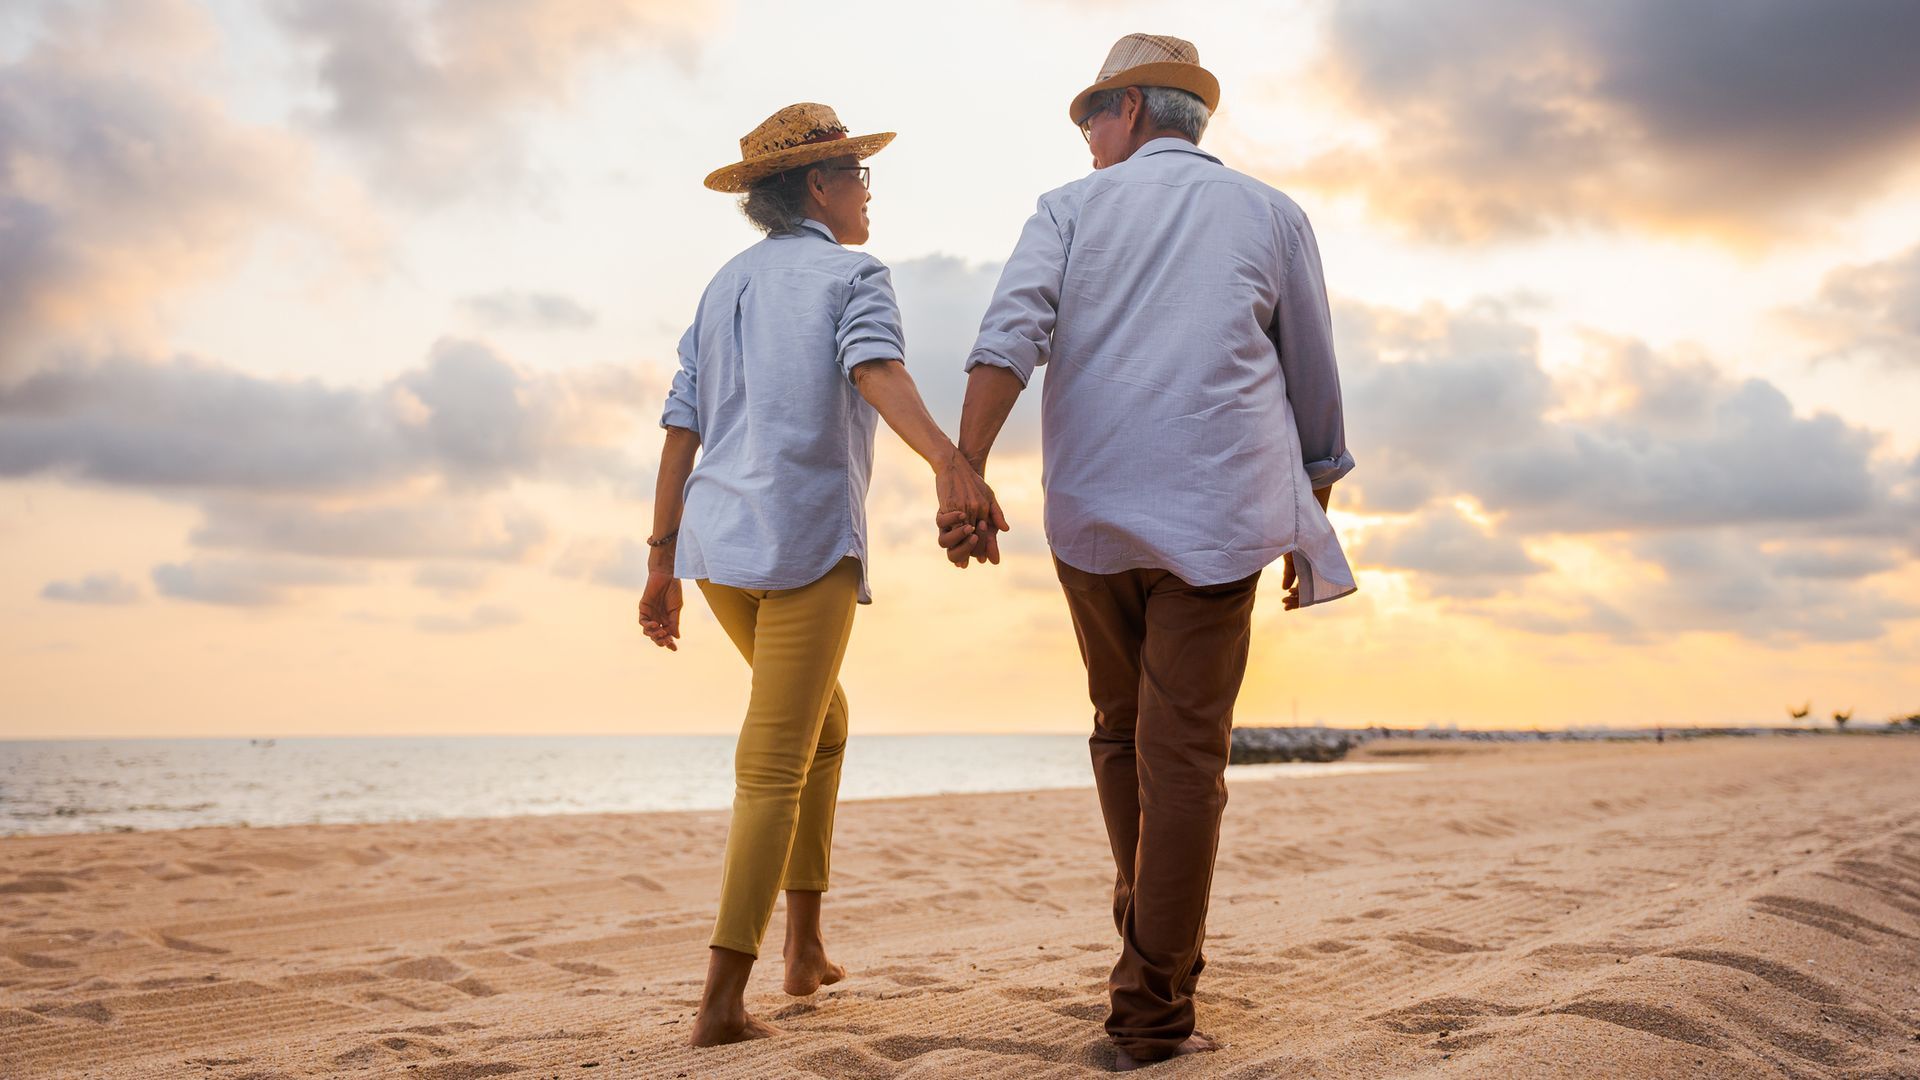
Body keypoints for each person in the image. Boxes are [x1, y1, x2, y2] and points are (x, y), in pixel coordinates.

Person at [938, 34, 1358, 1071]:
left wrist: (965, 467)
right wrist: (1313, 512)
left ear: (1131, 110)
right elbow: (1314, 383)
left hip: (1090, 522)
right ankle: (1153, 1005)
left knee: (1125, 735)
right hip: (1220, 520)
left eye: (1091, 113)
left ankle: (1147, 937)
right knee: (1181, 761)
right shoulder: (1272, 215)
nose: (1083, 134)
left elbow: (1007, 339)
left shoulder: (1067, 211)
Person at [640, 102, 1005, 1048]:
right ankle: (721, 1004)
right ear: (816, 184)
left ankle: (805, 950)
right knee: (772, 761)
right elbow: (876, 369)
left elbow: (683, 424)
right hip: (802, 548)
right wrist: (951, 464)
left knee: (824, 726)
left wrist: (660, 558)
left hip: (717, 550)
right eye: (857, 175)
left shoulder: (722, 286)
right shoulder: (854, 273)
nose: (867, 193)